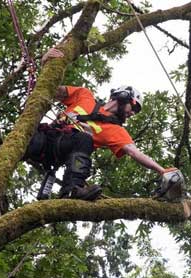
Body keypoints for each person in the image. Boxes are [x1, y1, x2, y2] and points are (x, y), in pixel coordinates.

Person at [33, 48, 176, 201]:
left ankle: (73, 189)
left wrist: (162, 171)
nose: (132, 113)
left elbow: (135, 152)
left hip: (61, 151)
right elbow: (48, 89)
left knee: (84, 138)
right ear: (123, 97)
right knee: (23, 139)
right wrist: (45, 62)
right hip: (44, 138)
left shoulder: (116, 130)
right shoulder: (84, 96)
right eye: (133, 107)